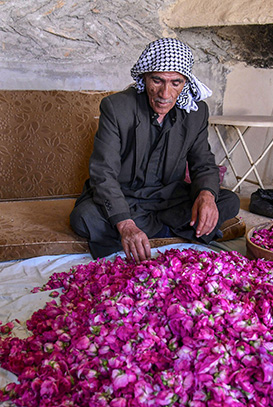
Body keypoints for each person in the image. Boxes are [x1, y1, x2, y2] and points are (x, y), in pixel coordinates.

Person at [70, 38, 240, 262]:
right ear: (144, 77)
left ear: (185, 83)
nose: (165, 93)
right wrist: (126, 223)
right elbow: (103, 173)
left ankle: (152, 233)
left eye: (176, 83)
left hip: (169, 198)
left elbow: (203, 164)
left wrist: (206, 197)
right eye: (157, 81)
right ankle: (168, 233)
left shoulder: (196, 112)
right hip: (125, 198)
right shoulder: (117, 108)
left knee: (228, 201)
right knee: (84, 217)